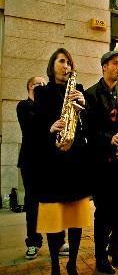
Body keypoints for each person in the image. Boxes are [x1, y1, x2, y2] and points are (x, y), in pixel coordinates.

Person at [34, 48, 90, 275]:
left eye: (69, 63)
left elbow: (88, 126)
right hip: (52, 163)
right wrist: (50, 128)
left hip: (75, 162)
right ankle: (56, 263)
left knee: (75, 218)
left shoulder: (78, 91)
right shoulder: (42, 93)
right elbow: (35, 127)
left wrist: (84, 105)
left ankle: (72, 263)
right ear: (52, 65)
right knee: (53, 218)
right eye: (61, 62)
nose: (66, 66)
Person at [85, 50, 118, 274]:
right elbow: (88, 131)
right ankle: (100, 257)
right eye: (116, 64)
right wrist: (109, 138)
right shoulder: (90, 94)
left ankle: (115, 250)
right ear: (104, 66)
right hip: (101, 163)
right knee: (103, 212)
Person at [17, 76, 46, 259]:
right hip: (30, 163)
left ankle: (58, 242)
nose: (42, 87)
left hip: (48, 162)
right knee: (32, 203)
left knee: (53, 201)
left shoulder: (48, 107)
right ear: (30, 87)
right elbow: (33, 128)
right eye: (38, 84)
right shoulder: (24, 106)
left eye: (44, 84)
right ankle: (33, 242)